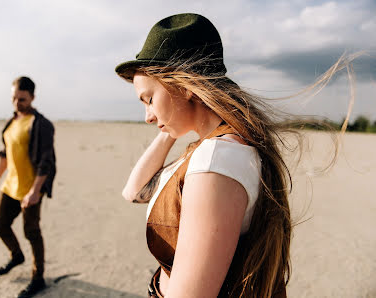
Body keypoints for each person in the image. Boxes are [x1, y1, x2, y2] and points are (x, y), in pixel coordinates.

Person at [114, 13, 353, 297]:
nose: (148, 117)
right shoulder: (218, 147)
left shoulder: (216, 161)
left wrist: (177, 109)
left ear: (183, 85)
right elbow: (135, 192)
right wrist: (171, 125)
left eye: (149, 99)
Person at [0, 76, 56, 298]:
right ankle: (16, 256)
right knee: (0, 226)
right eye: (14, 98)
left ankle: (38, 278)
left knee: (32, 232)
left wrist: (35, 192)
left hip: (31, 188)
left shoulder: (41, 124)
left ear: (32, 97)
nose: (17, 103)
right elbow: (5, 154)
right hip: (10, 186)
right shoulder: (11, 122)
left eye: (22, 99)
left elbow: (46, 161)